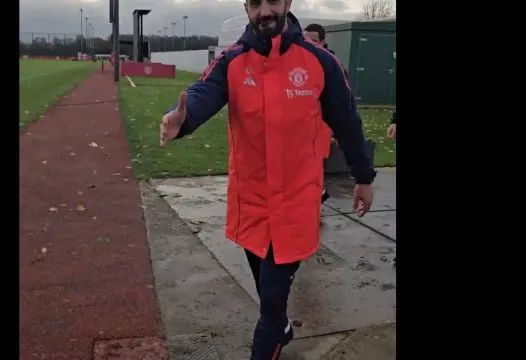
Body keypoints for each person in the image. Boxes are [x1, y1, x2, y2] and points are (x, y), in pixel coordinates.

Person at [159, 1, 376, 359]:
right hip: (252, 206)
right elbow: (202, 94)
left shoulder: (320, 63)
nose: (265, 11)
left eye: (272, 0)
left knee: (270, 308)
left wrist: (364, 176)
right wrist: (180, 119)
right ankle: (281, 325)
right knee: (268, 293)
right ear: (247, 7)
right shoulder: (232, 61)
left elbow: (348, 124)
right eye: (256, 2)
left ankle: (274, 334)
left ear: (288, 3)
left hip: (295, 206)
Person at [303, 23, 335, 204]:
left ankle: (316, 197)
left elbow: (341, 104)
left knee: (315, 166)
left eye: (313, 41)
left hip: (320, 125)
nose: (307, 44)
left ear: (322, 42)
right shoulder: (298, 60)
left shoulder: (331, 66)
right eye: (305, 39)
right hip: (301, 127)